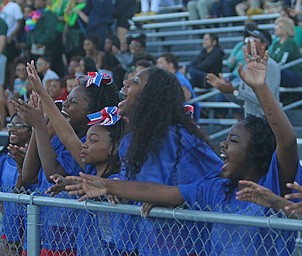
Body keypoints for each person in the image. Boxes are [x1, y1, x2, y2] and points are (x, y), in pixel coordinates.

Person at [66, 41, 302, 255]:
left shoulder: (272, 184)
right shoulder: (216, 189)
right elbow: (159, 191)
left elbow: (287, 142)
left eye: (233, 140)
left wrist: (260, 88)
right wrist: (110, 186)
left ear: (255, 150)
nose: (222, 144)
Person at [77, 65, 222, 255]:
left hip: (184, 245)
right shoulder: (129, 141)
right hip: (142, 243)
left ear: (152, 97)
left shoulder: (181, 139)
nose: (126, 82)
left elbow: (216, 186)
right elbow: (138, 186)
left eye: (136, 81)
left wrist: (173, 199)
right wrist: (119, 188)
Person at [13, 61, 120, 255]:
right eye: (67, 98)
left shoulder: (86, 147)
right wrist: (42, 125)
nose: (65, 103)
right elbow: (29, 176)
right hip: (44, 225)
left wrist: (39, 124)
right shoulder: (55, 136)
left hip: (68, 233)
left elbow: (52, 173)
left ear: (91, 112)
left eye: (74, 102)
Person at [207, 29, 280, 117]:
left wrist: (235, 91)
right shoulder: (247, 66)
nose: (248, 43)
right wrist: (227, 90)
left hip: (269, 122)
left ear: (263, 44)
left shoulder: (271, 65)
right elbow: (243, 101)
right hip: (252, 122)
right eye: (247, 40)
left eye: (252, 40)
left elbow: (267, 100)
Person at [0, 114, 32, 256]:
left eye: (19, 126)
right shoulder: (3, 158)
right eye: (11, 125)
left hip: (30, 222)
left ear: (31, 131)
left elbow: (23, 190)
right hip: (9, 223)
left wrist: (22, 166)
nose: (13, 129)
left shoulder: (37, 160)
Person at [156, 52, 201, 122]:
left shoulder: (180, 79)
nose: (157, 65)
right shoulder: (169, 79)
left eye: (161, 63)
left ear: (170, 64)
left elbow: (186, 98)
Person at [269, 17, 302, 87]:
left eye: (279, 26)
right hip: (281, 71)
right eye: (275, 25)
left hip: (295, 74)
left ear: (286, 28)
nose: (275, 28)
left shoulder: (290, 42)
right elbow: (271, 59)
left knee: (272, 72)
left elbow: (282, 62)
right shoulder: (277, 43)